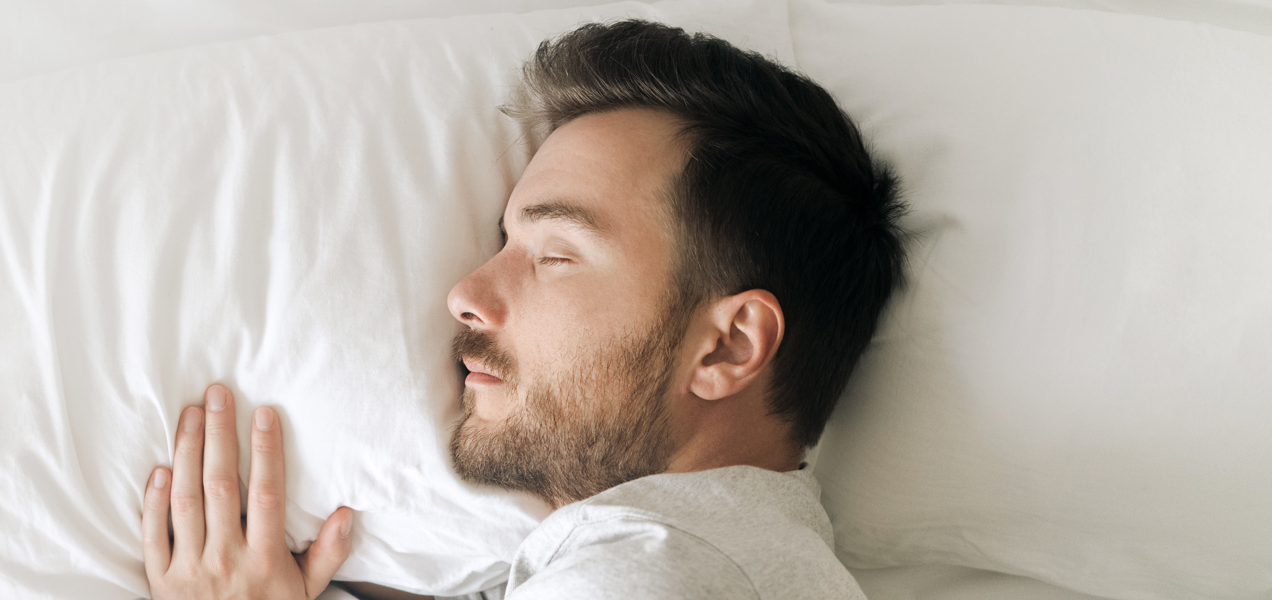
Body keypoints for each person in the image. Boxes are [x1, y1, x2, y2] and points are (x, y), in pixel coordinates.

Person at [134, 19, 904, 600]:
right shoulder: (706, 563)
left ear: (728, 348)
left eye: (556, 255)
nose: (466, 296)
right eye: (504, 241)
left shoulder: (646, 576)